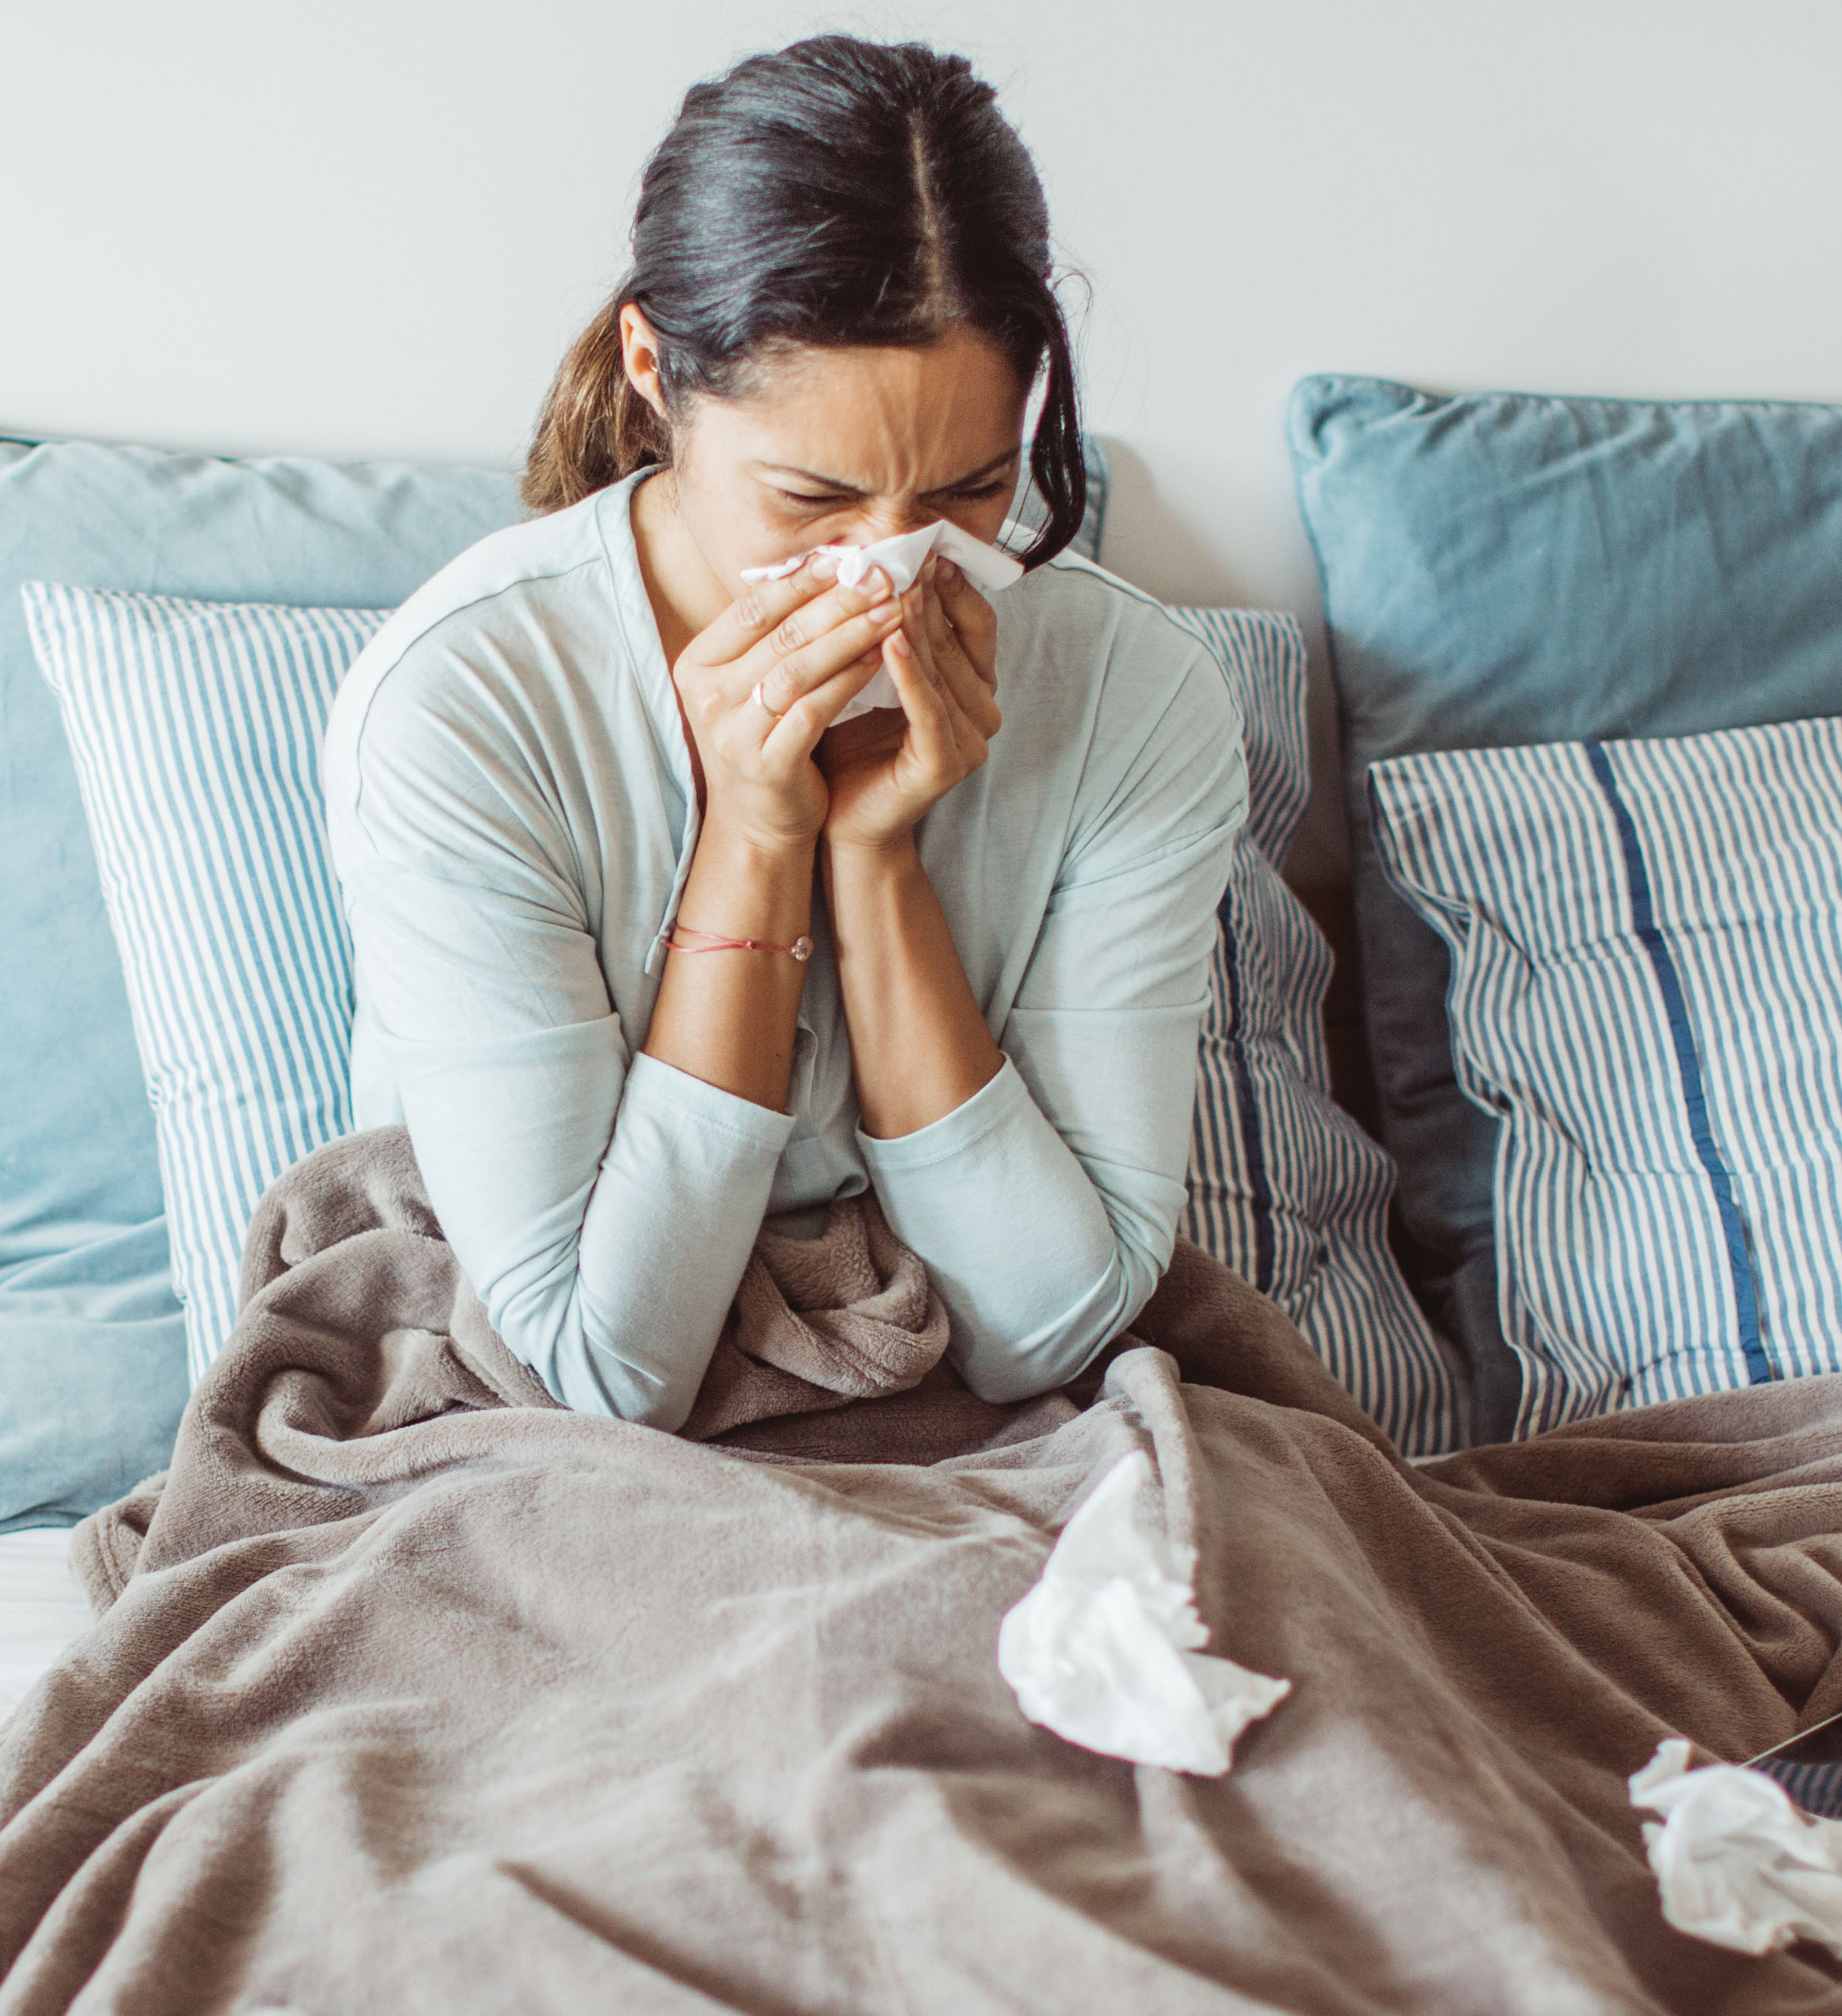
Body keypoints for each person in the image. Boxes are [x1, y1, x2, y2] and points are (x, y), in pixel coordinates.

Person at [323, 33, 1242, 1433]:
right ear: (649, 365)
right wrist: (755, 837)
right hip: (548, 1439)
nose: (892, 565)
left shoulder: (1135, 694)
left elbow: (1046, 1329)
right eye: (813, 497)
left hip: (982, 1425)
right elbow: (602, 1369)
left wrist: (876, 866)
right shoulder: (469, 703)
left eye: (971, 489)